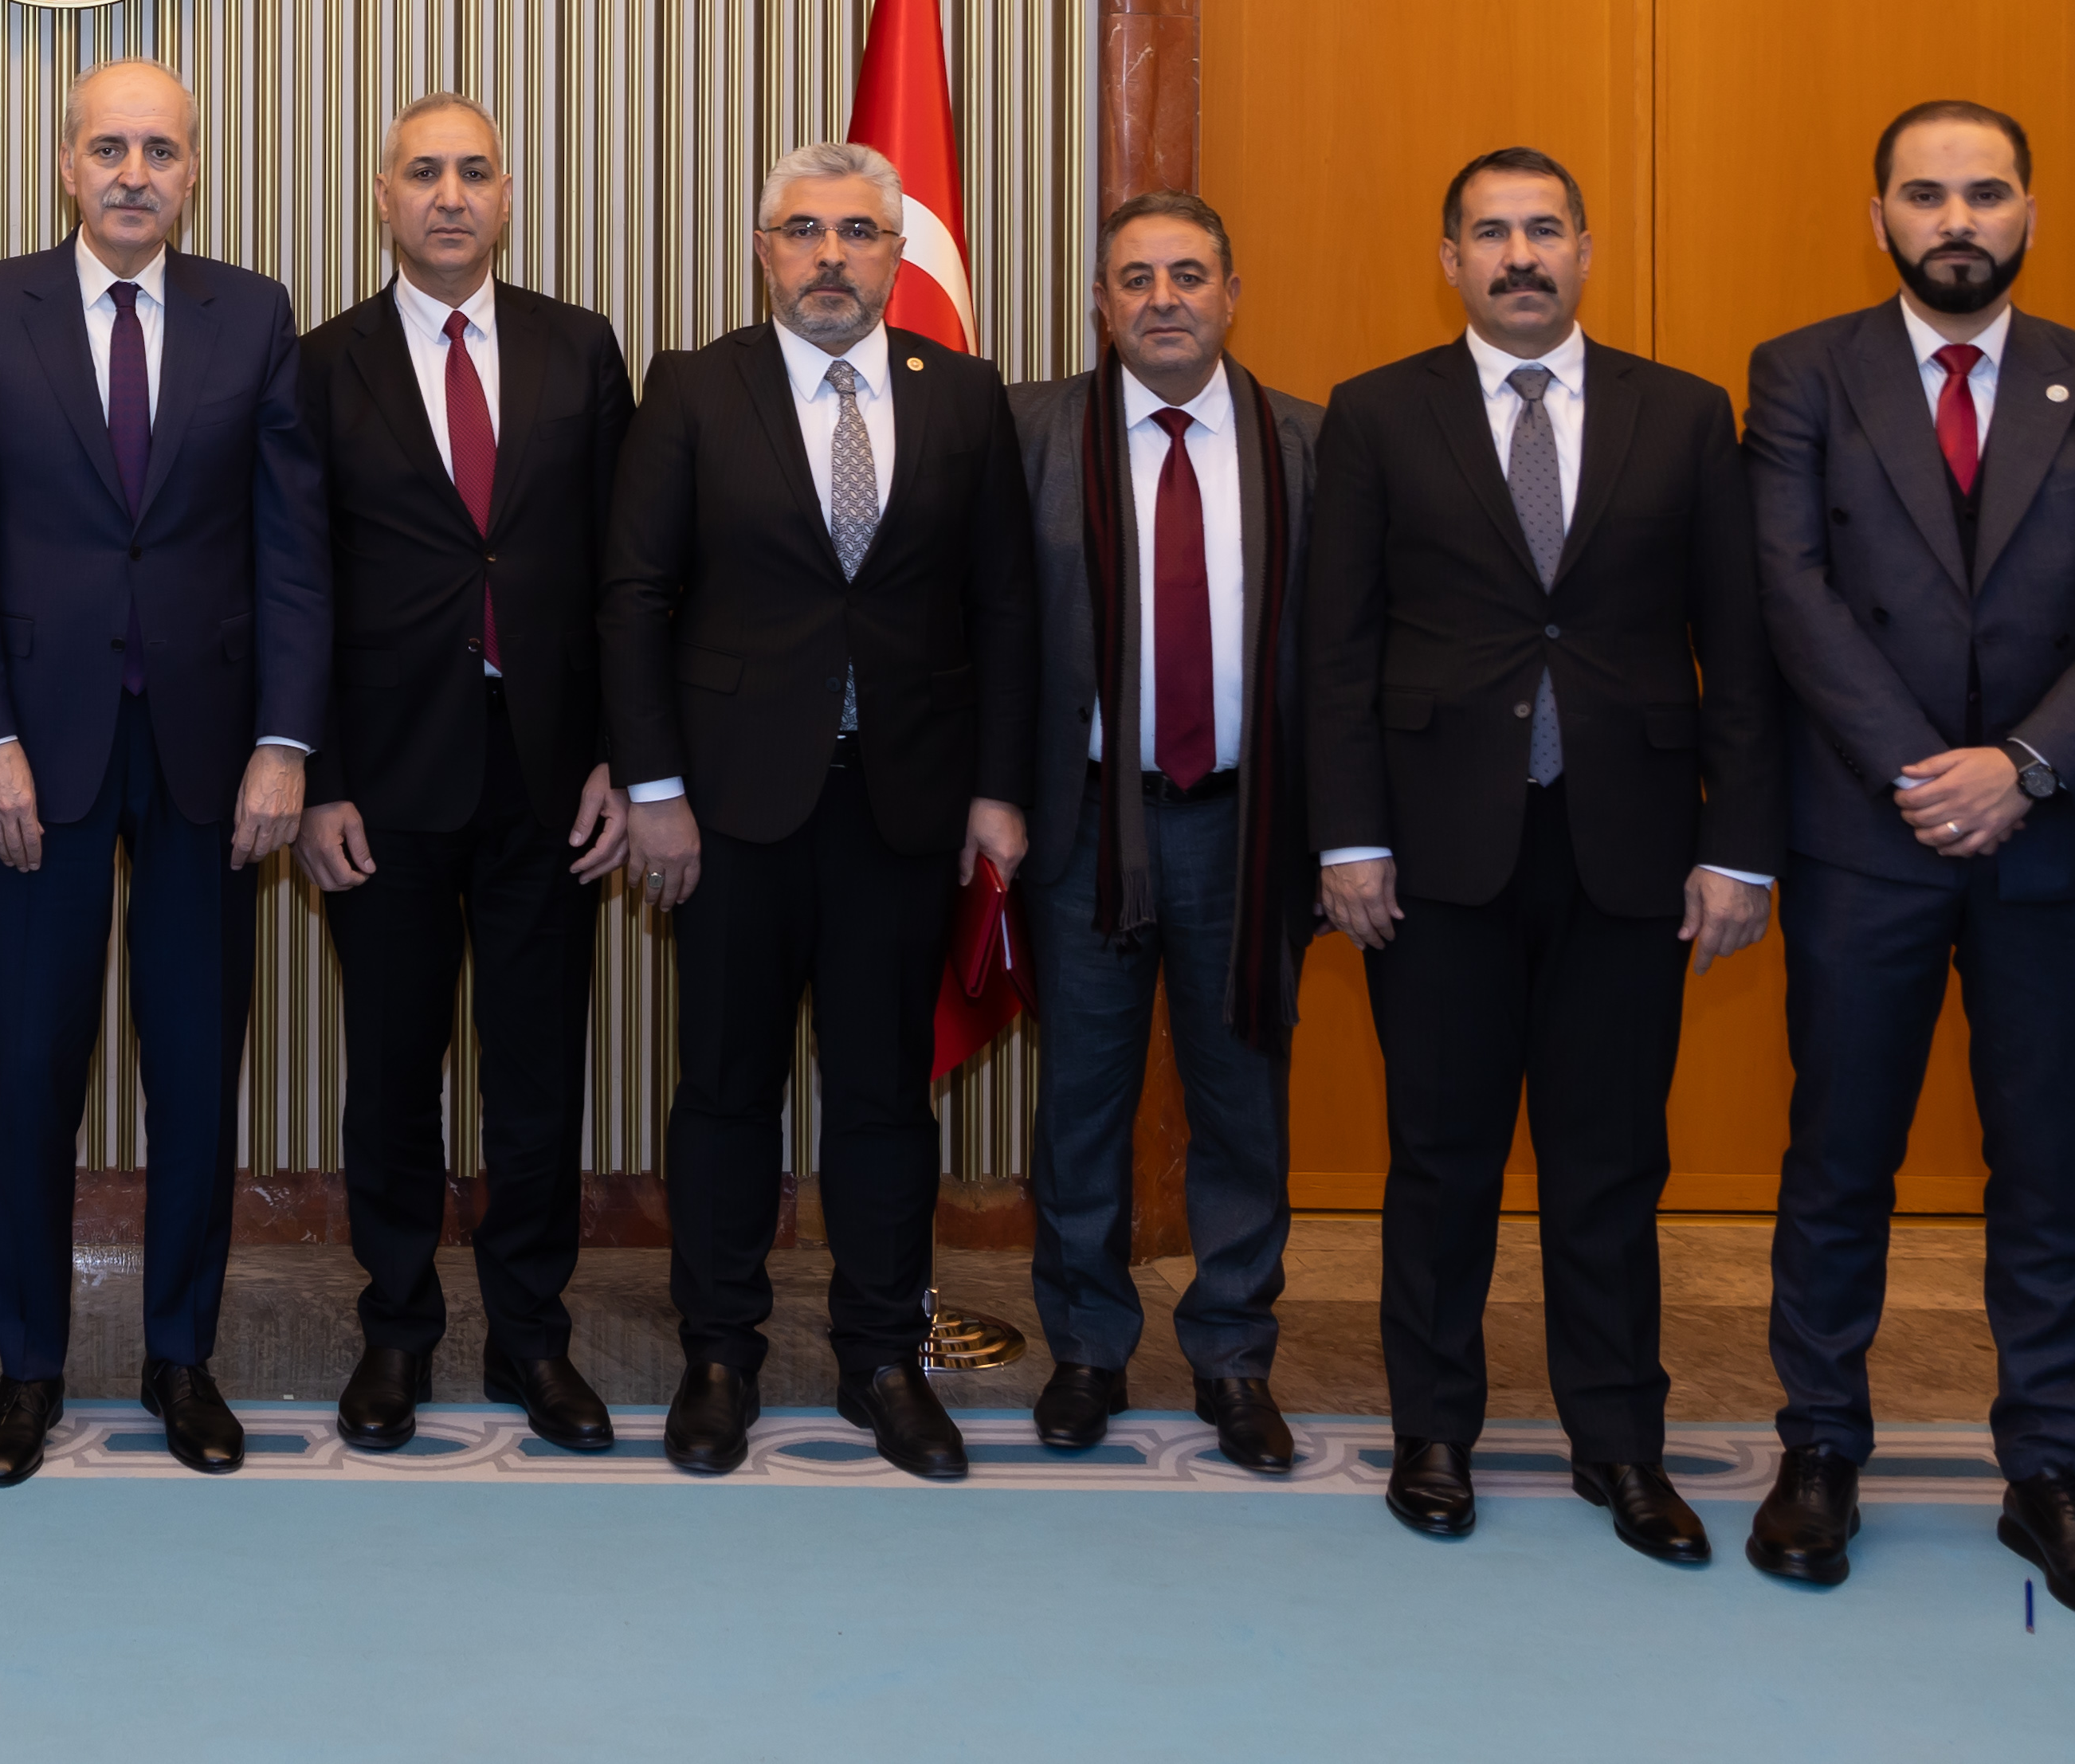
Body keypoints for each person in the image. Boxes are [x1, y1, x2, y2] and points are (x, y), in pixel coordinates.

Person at [1301, 146, 1778, 1562]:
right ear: (1448, 258)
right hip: (1431, 854)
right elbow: (1335, 649)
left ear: (1584, 249)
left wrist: (1740, 848)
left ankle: (1618, 1444)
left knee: (1609, 1163)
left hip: (1631, 850)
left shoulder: (1682, 413)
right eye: (1490, 232)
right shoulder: (1376, 412)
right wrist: (1348, 835)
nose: (1520, 255)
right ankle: (1432, 1432)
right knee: (1438, 1159)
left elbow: (1737, 648)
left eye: (1544, 230)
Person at [1744, 101, 2075, 1622]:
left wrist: (2024, 767)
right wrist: (1929, 775)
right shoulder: (1801, 371)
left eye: (1984, 192)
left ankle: (2049, 1472)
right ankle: (1818, 1446)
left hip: (2056, 839)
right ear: (1876, 215)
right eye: (1924, 194)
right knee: (1837, 1158)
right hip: (1867, 837)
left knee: (2049, 1171)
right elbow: (1790, 593)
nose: (1955, 219)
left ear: (2026, 213)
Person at [0, 57, 328, 1486]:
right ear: (67, 165)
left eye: (159, 149)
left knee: (195, 1064)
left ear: (193, 170)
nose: (133, 172)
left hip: (213, 755)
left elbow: (291, 547)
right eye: (108, 148)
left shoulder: (251, 313)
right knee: (32, 1063)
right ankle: (27, 1365)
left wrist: (284, 742)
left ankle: (179, 1357)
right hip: (37, 749)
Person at [601, 138, 1035, 1481]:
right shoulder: (693, 385)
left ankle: (881, 1359)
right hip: (729, 808)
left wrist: (997, 789)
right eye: (803, 230)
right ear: (762, 249)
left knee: (883, 1099)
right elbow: (632, 595)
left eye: (857, 232)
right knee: (725, 1089)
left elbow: (1004, 604)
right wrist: (653, 789)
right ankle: (719, 1354)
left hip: (903, 807)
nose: (829, 256)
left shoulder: (963, 394)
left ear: (896, 254)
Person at [294, 93, 634, 1455]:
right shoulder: (321, 363)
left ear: (505, 197)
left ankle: (530, 1334)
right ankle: (396, 1326)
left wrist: (623, 756)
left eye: (473, 171)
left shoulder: (579, 345)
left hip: (549, 773)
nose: (449, 194)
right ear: (382, 198)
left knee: (536, 1070)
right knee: (392, 1067)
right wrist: (316, 774)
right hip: (381, 780)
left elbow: (623, 571)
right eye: (423, 172)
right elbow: (296, 582)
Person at [1005, 191, 1319, 1472]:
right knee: (1081, 1099)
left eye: (1188, 273)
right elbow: (983, 626)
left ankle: (1233, 1356)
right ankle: (1085, 1349)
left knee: (1241, 1101)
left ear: (1231, 293)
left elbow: (1347, 650)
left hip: (1249, 826)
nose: (1162, 299)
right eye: (1134, 277)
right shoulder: (1028, 433)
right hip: (1086, 822)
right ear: (1100, 301)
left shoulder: (1308, 441)